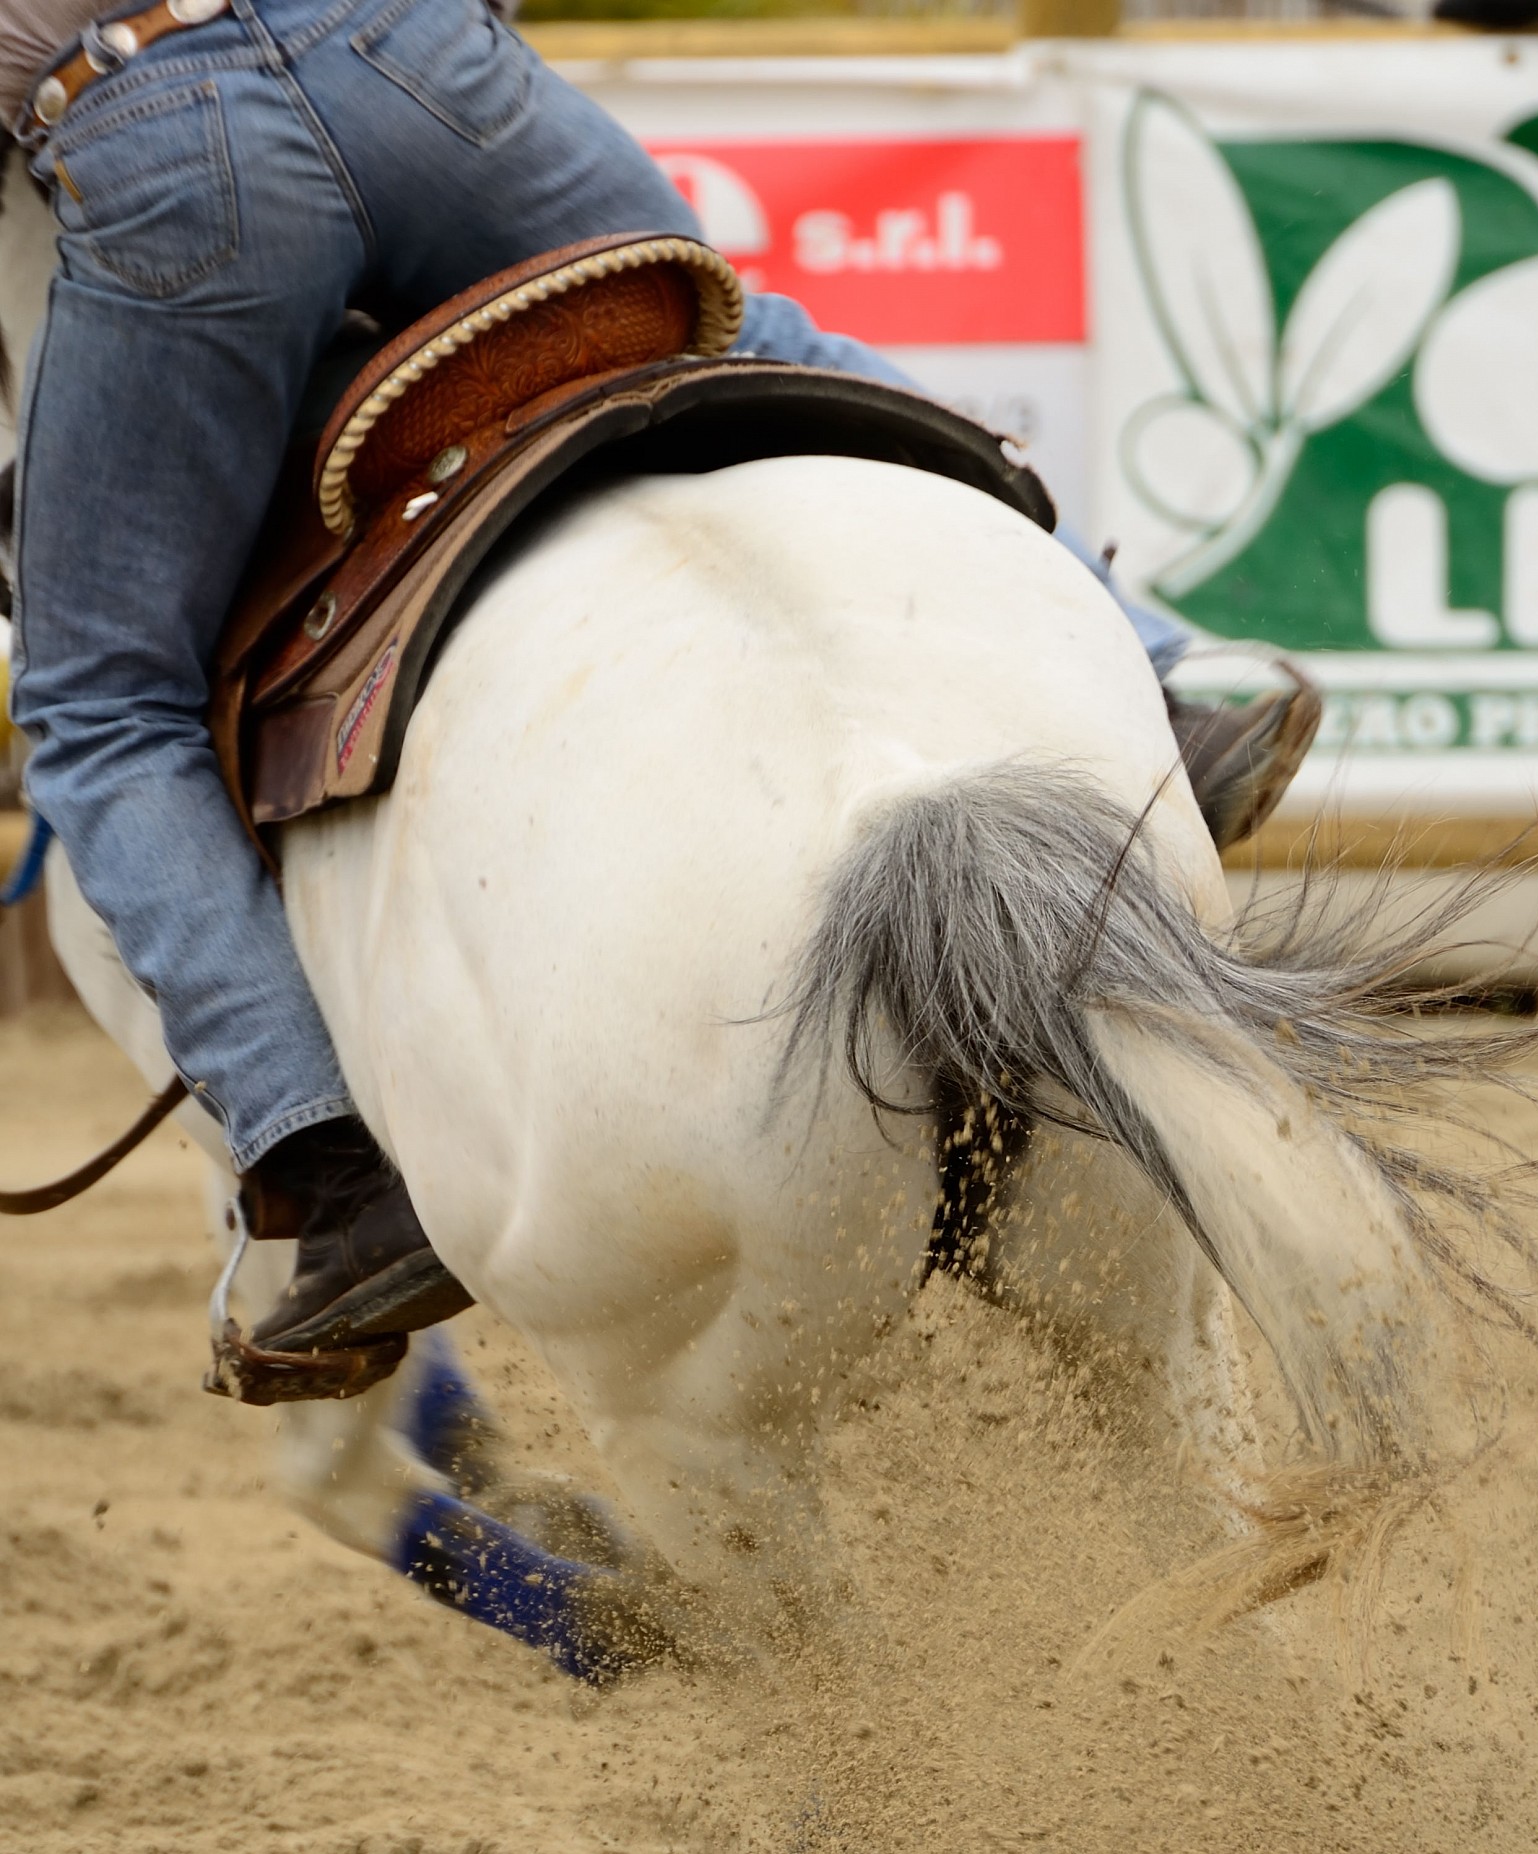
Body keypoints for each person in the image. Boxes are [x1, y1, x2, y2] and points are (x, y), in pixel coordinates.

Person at [6, 0, 1314, 1364]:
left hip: (151, 129)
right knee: (736, 331)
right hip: (409, 45)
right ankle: (1165, 674)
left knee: (101, 702)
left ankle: (333, 1169)